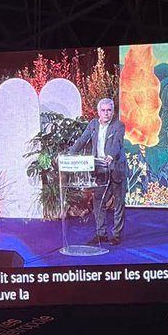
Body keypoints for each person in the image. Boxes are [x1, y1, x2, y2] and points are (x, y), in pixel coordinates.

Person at [69, 97, 127, 245]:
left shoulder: (118, 126)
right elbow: (82, 140)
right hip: (100, 169)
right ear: (98, 112)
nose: (106, 113)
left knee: (119, 202)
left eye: (109, 110)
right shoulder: (93, 124)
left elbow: (117, 143)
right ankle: (101, 234)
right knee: (98, 202)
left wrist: (110, 156)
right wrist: (70, 154)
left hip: (116, 169)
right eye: (103, 110)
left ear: (113, 112)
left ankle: (116, 235)